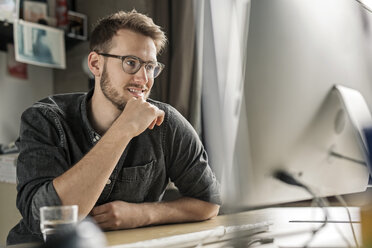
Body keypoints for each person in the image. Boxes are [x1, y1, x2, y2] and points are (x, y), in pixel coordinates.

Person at [7, 10, 221, 245]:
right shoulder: (45, 119)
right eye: (131, 63)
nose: (144, 78)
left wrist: (142, 215)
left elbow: (209, 201)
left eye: (150, 66)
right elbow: (42, 218)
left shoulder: (167, 123)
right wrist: (122, 130)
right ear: (96, 64)